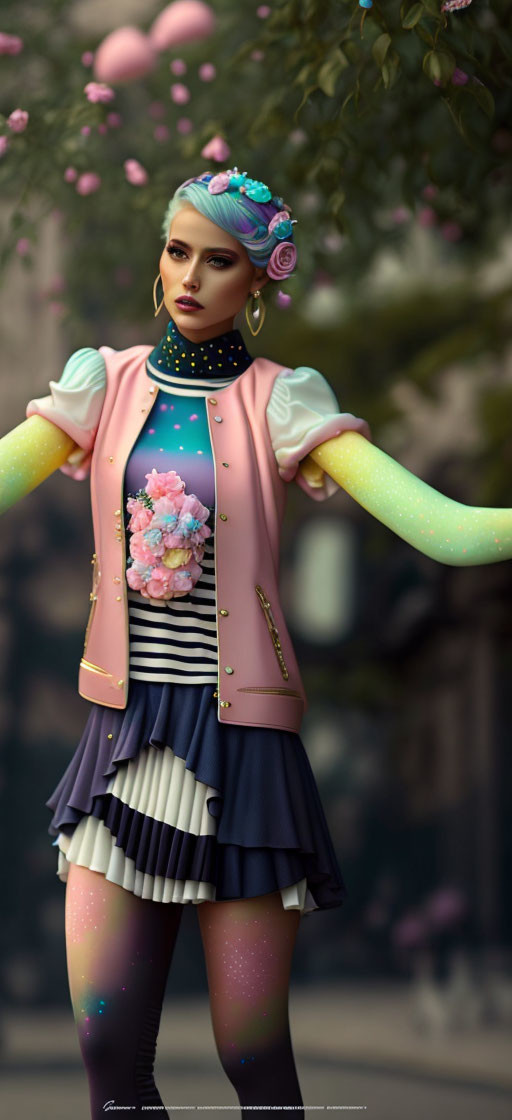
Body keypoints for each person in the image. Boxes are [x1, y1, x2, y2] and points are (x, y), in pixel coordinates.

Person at [2, 166, 512, 1119]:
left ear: (260, 282)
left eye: (220, 260)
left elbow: (443, 526)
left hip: (242, 752)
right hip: (121, 740)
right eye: (177, 250)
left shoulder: (283, 403)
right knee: (109, 1055)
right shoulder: (100, 385)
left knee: (252, 1061)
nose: (190, 276)